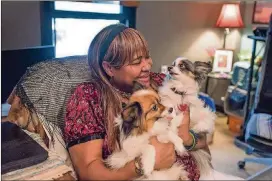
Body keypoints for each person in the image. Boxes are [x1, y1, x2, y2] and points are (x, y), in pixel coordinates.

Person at [64, 24, 210, 181]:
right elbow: (88, 172)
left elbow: (204, 141)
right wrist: (141, 165)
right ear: (109, 68)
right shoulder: (89, 97)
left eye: (147, 57)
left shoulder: (163, 83)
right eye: (136, 62)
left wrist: (188, 139)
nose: (147, 66)